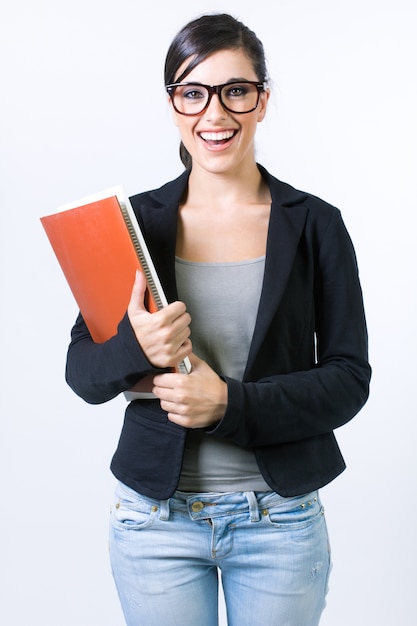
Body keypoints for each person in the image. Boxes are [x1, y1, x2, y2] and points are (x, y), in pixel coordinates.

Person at [65, 12, 371, 626]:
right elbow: (82, 373)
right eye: (193, 91)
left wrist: (228, 405)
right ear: (173, 104)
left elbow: (348, 379)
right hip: (154, 526)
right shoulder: (134, 224)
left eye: (236, 90)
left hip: (279, 522)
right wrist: (136, 345)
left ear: (262, 99)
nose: (215, 113)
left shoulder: (313, 224)